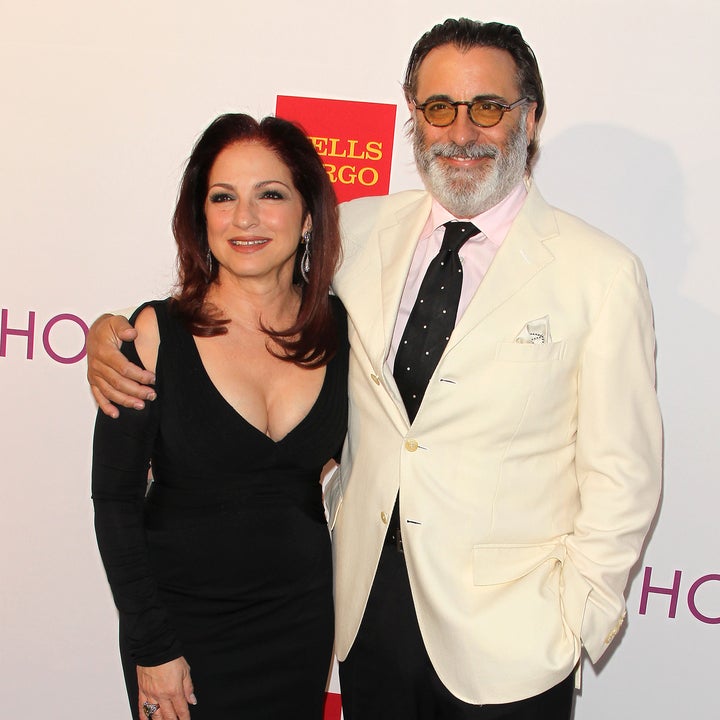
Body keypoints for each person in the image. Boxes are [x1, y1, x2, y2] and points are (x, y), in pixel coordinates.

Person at [87, 18, 662, 720]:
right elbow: (242, 292)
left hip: (513, 641)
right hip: (363, 619)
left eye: (487, 107)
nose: (461, 131)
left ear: (530, 117)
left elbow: (624, 473)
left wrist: (572, 622)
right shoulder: (356, 233)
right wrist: (109, 334)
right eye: (439, 107)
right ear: (413, 116)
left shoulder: (600, 274)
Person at [91, 113, 347, 720]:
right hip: (179, 630)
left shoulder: (344, 329)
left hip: (299, 624)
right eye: (223, 197)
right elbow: (114, 500)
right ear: (200, 216)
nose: (244, 218)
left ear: (308, 216)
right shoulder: (154, 334)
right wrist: (153, 646)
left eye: (271, 195)